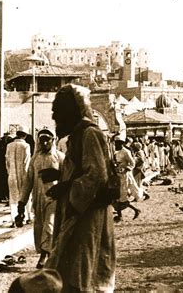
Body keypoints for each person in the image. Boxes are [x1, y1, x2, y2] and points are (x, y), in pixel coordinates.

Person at [44, 84, 115, 292]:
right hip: (78, 213)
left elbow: (96, 176)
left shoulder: (89, 134)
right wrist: (59, 176)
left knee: (84, 273)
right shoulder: (77, 136)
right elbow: (82, 170)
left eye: (58, 112)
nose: (55, 117)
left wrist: (65, 187)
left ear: (70, 111)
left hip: (88, 217)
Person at [18, 128, 65, 269]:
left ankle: (44, 256)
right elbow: (28, 181)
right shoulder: (35, 159)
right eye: (42, 139)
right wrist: (22, 201)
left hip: (54, 200)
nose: (44, 142)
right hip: (38, 199)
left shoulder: (60, 157)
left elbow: (67, 178)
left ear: (53, 140)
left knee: (50, 226)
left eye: (47, 140)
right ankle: (50, 255)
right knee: (39, 227)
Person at [5, 125, 32, 227]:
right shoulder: (26, 146)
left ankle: (13, 219)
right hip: (23, 175)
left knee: (13, 197)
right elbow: (27, 163)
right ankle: (27, 217)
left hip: (11, 175)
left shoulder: (9, 146)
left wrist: (10, 172)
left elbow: (7, 162)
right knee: (25, 196)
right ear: (25, 135)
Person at [113, 135, 142, 222]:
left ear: (121, 143)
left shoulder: (126, 152)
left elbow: (132, 163)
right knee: (117, 196)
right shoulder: (116, 152)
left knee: (122, 196)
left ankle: (136, 210)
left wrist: (126, 168)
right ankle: (120, 216)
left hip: (125, 176)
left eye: (117, 143)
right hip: (118, 175)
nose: (116, 145)